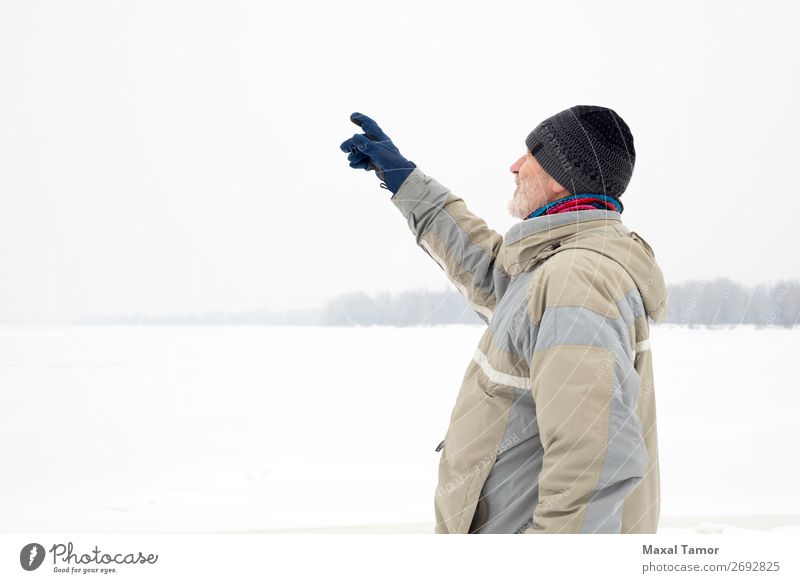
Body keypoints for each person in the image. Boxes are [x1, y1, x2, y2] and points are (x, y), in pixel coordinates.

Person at [339, 106, 668, 534]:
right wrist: (405, 180)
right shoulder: (554, 268)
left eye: (530, 154)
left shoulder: (575, 280)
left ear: (558, 175)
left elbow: (592, 464)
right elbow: (492, 272)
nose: (514, 166)